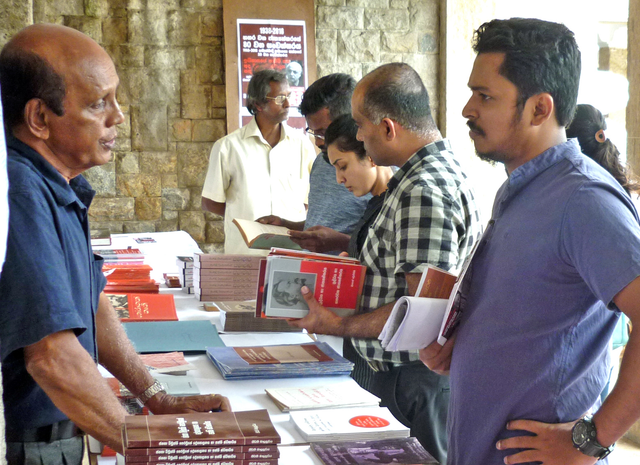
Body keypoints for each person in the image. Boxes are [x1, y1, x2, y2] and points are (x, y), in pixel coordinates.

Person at [0, 24, 230, 464]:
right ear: (39, 119)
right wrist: (146, 444)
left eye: (115, 98)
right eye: (98, 103)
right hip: (33, 442)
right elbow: (50, 356)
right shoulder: (19, 192)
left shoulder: (60, 183)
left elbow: (92, 304)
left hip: (64, 430)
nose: (118, 117)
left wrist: (156, 397)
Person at [421, 18, 640, 465]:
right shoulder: (521, 189)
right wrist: (461, 344)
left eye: (485, 96)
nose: (467, 109)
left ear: (540, 109)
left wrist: (592, 439)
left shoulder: (583, 200)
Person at [289, 63, 483, 464]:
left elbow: (421, 311)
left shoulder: (423, 189)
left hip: (411, 381)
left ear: (388, 127)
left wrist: (338, 324)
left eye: (361, 126)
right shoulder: (418, 177)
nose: (358, 135)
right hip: (398, 374)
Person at [201, 69, 315, 254]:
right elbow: (211, 202)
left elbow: (310, 199)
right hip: (246, 253)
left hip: (293, 252)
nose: (288, 104)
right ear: (258, 104)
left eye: (288, 96)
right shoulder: (228, 147)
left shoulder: (302, 145)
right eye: (280, 98)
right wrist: (243, 214)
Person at [258, 73, 370, 254]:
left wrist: (340, 243)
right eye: (313, 132)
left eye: (323, 132)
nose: (318, 142)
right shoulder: (321, 161)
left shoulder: (376, 168)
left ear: (349, 121)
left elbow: (385, 246)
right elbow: (321, 224)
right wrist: (286, 225)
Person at [323, 114, 394, 390]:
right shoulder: (374, 203)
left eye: (343, 166)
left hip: (386, 360)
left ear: (371, 155)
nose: (339, 179)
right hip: (362, 347)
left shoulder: (398, 205)